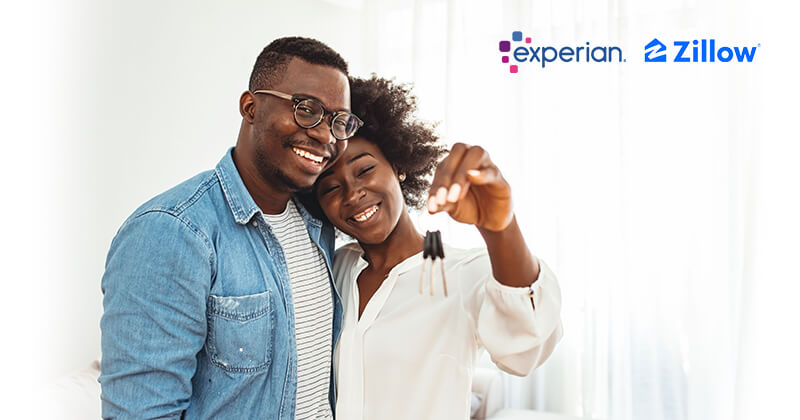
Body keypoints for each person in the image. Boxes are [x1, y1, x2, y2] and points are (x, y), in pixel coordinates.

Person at [99, 37, 364, 419]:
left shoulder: (317, 224)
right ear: (251, 107)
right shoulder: (173, 232)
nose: (324, 135)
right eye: (306, 109)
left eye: (338, 121)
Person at [311, 76, 563, 419]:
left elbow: (525, 350)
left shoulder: (459, 272)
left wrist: (499, 229)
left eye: (365, 169)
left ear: (397, 166)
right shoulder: (335, 268)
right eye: (330, 188)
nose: (352, 194)